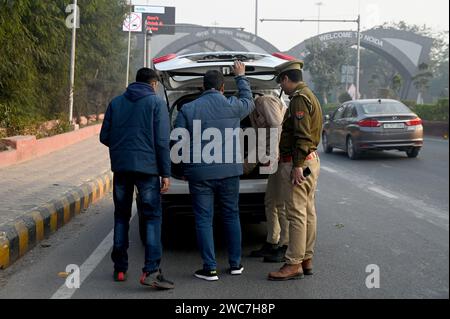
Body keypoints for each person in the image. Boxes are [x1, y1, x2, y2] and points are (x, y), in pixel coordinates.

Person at [174, 60, 255, 281]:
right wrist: (240, 76)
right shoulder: (232, 105)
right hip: (230, 172)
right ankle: (236, 264)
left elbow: (178, 141)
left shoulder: (188, 109)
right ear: (221, 88)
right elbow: (249, 101)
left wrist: (182, 168)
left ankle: (209, 268)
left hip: (199, 173)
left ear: (202, 87)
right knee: (231, 216)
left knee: (203, 219)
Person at [100, 68, 174, 290]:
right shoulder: (156, 103)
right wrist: (166, 173)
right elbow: (162, 142)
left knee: (121, 216)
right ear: (153, 85)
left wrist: (122, 148)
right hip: (148, 170)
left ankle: (120, 268)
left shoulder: (116, 102)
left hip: (121, 168)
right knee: (151, 217)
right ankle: (151, 271)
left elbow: (105, 136)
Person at [268, 60, 323, 281]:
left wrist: (297, 166)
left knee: (296, 214)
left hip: (299, 163)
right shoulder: (310, 95)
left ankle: (293, 264)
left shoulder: (299, 99)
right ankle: (306, 258)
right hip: (311, 160)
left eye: (281, 83)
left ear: (285, 79)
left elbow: (302, 135)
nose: (282, 88)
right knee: (308, 212)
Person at [246, 96, 290, 263]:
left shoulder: (263, 102)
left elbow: (277, 126)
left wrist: (274, 153)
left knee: (281, 204)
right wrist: (243, 169)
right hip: (273, 158)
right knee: (270, 201)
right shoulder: (252, 110)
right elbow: (260, 141)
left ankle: (285, 246)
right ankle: (272, 242)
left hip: (279, 158)